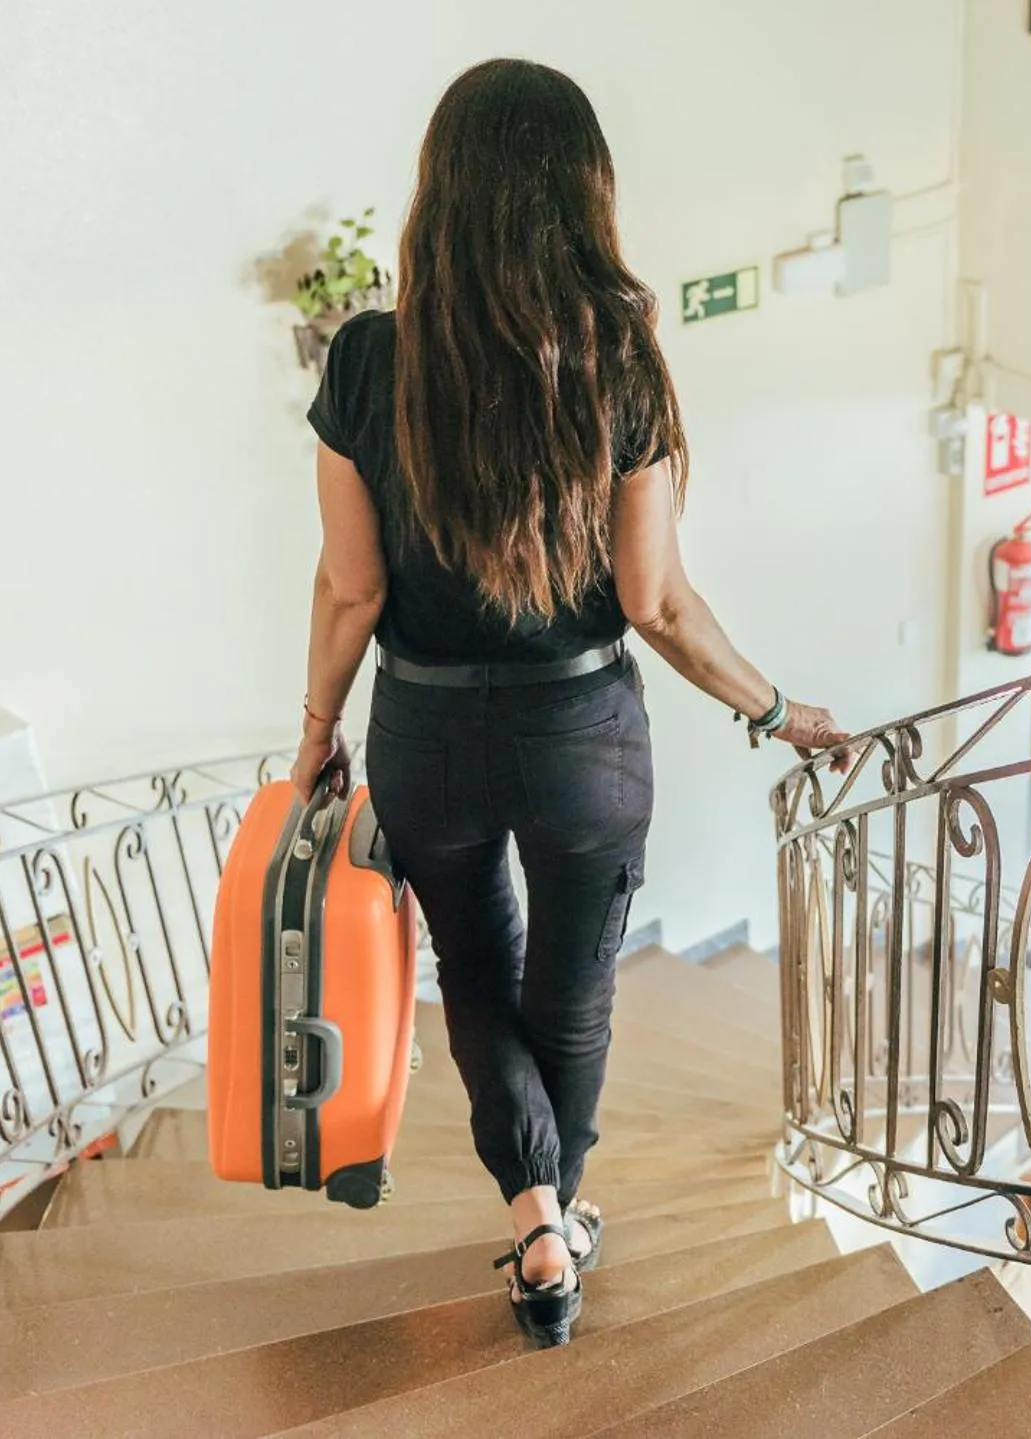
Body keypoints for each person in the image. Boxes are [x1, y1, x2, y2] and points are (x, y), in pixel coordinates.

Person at [288, 58, 847, 1348]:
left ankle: (536, 1211)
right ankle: (562, 1211)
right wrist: (777, 712)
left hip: (424, 729)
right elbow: (655, 602)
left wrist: (316, 735)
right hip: (584, 731)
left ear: (441, 197)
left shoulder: (367, 361)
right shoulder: (619, 365)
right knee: (577, 992)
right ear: (581, 199)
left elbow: (349, 588)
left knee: (474, 979)